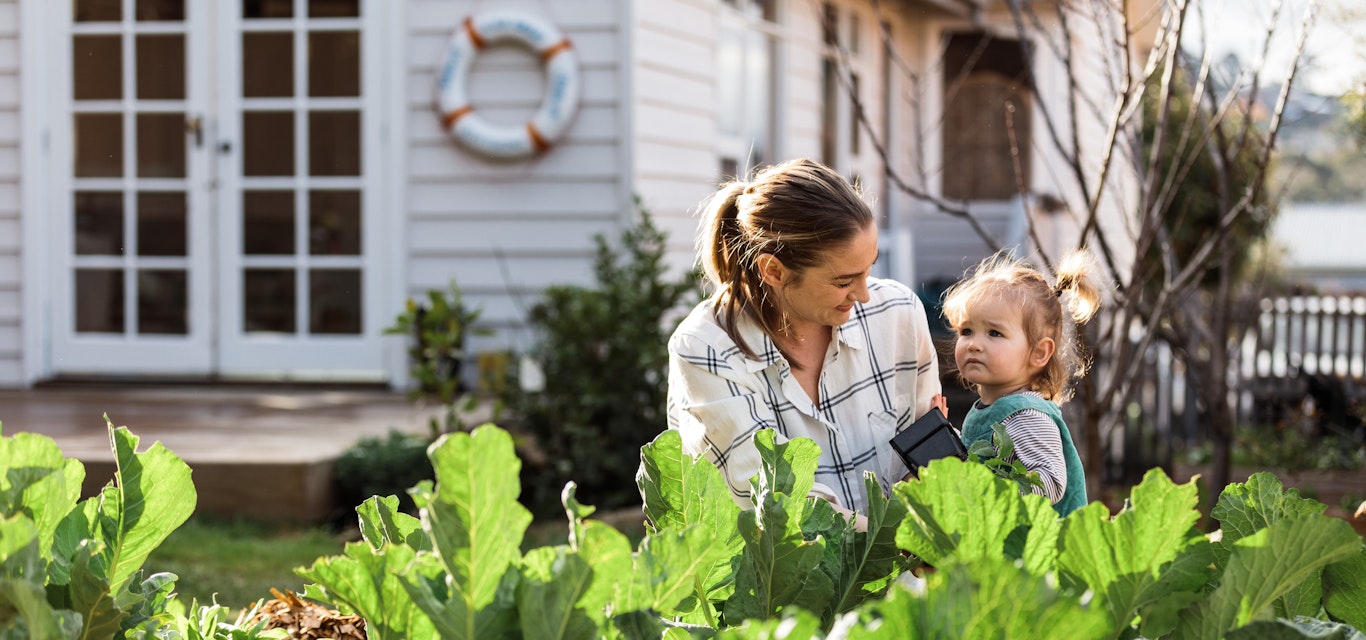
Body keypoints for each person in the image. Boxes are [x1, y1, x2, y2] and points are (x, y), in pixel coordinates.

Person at [665, 158, 942, 523]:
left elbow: (929, 450)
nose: (864, 294)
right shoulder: (705, 349)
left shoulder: (899, 313)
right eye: (843, 281)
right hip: (785, 579)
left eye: (869, 269)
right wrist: (905, 546)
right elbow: (781, 506)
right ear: (774, 271)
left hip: (909, 575)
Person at [940, 250, 1101, 516]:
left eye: (994, 333)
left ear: (1038, 353)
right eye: (966, 331)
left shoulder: (1026, 415)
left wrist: (989, 496)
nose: (974, 344)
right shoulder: (996, 408)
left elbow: (1050, 481)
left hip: (1043, 552)